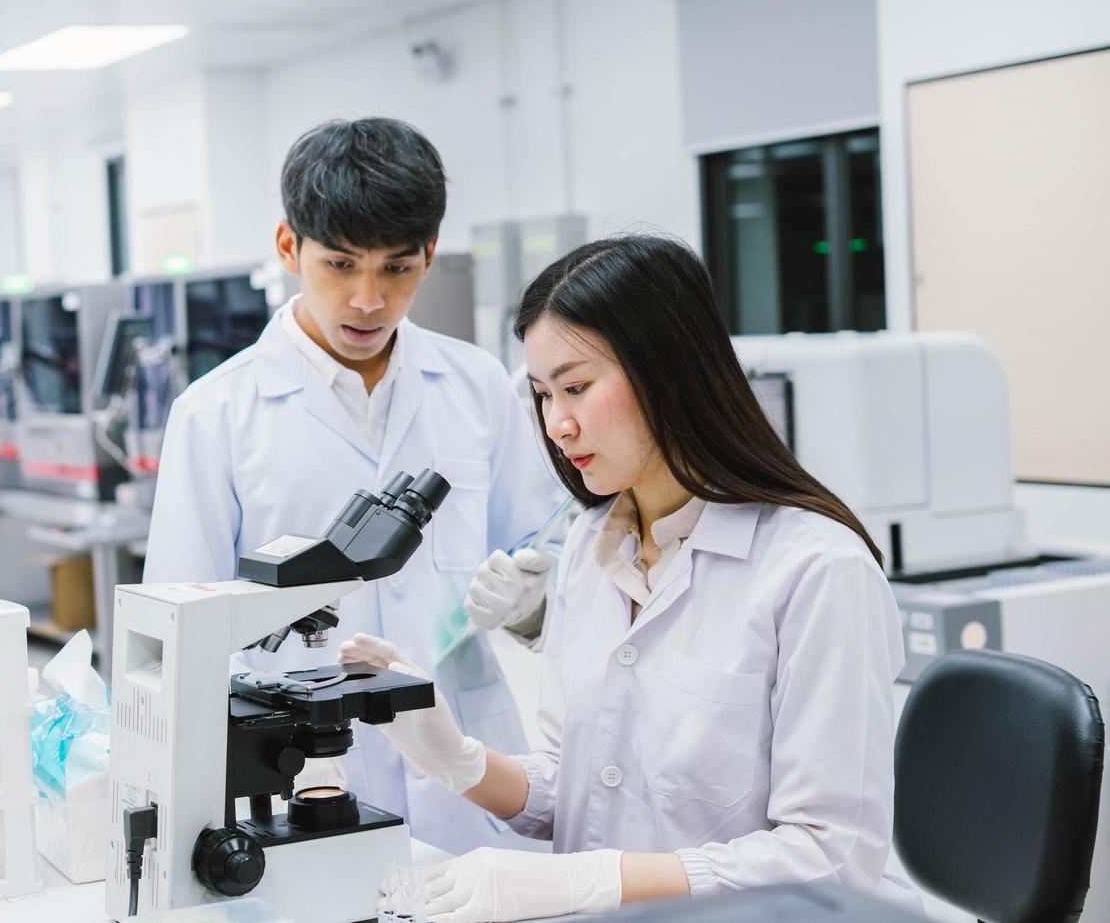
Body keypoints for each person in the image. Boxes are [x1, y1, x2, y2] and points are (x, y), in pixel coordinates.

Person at [341, 233, 910, 920]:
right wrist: (457, 758)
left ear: (670, 372)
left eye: (577, 388)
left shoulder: (817, 574)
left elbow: (828, 859)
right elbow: (570, 784)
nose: (558, 424)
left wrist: (594, 881)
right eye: (544, 395)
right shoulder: (591, 546)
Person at [143, 117, 565, 854]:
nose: (368, 300)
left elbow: (538, 545)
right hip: (306, 763)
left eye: (397, 268)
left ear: (430, 254)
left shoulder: (477, 387)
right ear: (288, 248)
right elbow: (176, 623)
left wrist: (533, 604)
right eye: (340, 265)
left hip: (469, 763)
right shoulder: (216, 414)